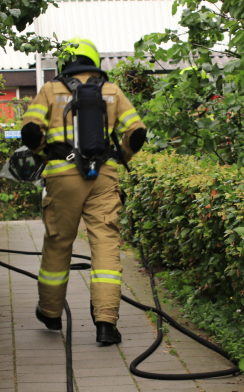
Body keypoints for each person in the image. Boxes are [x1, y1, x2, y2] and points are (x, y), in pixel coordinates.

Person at [20, 38, 147, 345]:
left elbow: (31, 130)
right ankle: (105, 323)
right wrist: (121, 156)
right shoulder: (112, 91)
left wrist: (42, 151)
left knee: (59, 242)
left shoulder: (51, 90)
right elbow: (136, 132)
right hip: (103, 177)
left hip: (62, 176)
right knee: (105, 245)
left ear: (66, 62)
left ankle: (50, 312)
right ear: (94, 62)